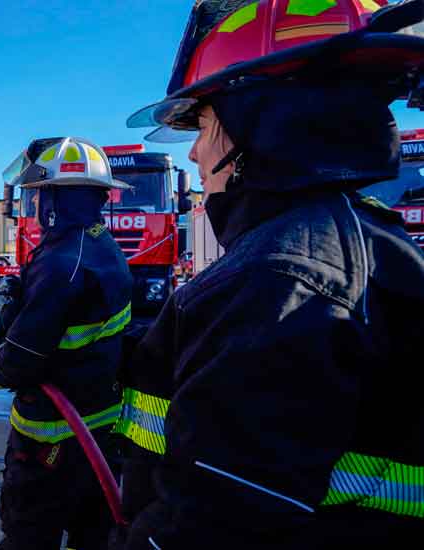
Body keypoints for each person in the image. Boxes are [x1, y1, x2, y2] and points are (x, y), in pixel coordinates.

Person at [113, 1, 424, 548]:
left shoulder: (279, 278)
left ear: (266, 123)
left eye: (205, 124)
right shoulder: (360, 239)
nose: (193, 153)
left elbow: (214, 521)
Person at [0, 137, 134, 549]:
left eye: (39, 195)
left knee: (27, 536)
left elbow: (24, 355)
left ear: (57, 199)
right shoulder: (100, 245)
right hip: (98, 427)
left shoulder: (63, 260)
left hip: (50, 438)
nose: (35, 205)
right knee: (93, 534)